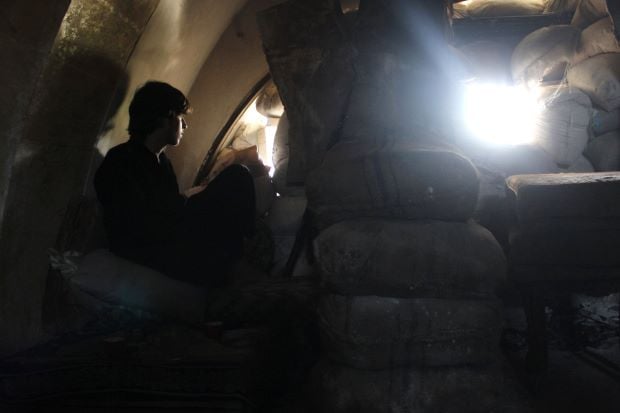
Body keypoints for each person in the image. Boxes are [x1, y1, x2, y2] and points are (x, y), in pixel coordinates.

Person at [94, 81, 255, 286]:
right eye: (181, 118)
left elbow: (168, 207)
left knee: (233, 182)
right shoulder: (120, 161)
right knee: (236, 177)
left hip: (169, 238)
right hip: (149, 250)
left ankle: (237, 259)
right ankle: (240, 259)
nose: (185, 125)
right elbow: (137, 224)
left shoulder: (162, 163)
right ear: (166, 118)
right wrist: (192, 210)